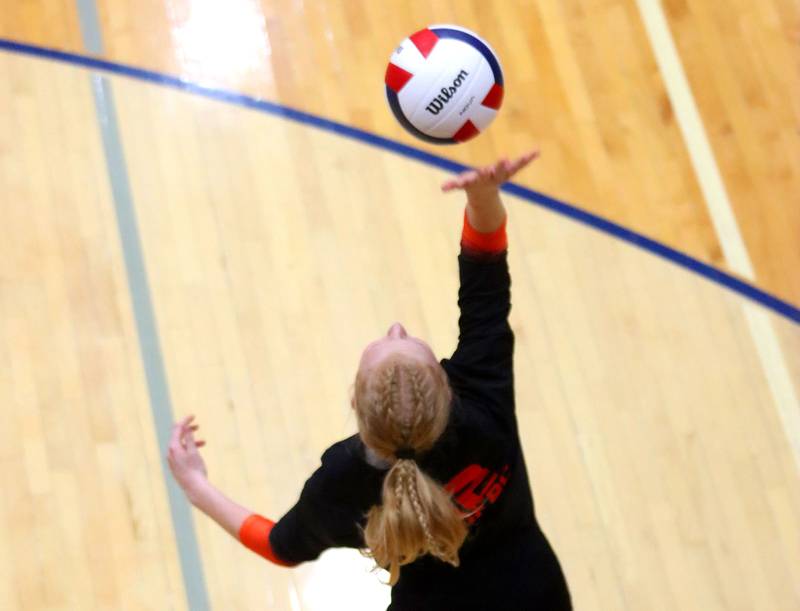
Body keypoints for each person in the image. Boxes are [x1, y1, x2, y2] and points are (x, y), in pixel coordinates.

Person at [168, 149, 572, 610]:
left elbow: (280, 546)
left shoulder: (343, 479)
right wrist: (483, 197)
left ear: (356, 407)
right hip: (537, 594)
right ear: (445, 386)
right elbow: (485, 269)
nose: (396, 327)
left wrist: (196, 487)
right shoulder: (483, 396)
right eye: (404, 338)